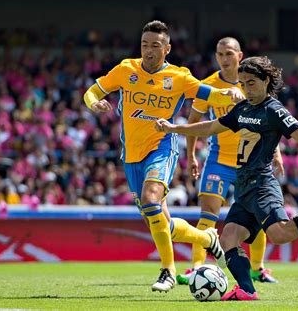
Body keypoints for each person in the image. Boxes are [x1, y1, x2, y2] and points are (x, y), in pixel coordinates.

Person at [155, 56, 298, 300]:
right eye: (242, 83)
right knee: (229, 237)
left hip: (262, 185)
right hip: (243, 188)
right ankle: (246, 290)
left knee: (280, 234)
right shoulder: (241, 108)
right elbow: (210, 127)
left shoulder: (274, 110)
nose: (246, 89)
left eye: (251, 83)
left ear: (266, 80)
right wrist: (174, 128)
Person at [83, 20, 245, 293]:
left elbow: (210, 95)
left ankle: (167, 271)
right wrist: (93, 104)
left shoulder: (179, 77)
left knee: (150, 199)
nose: (148, 50)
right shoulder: (126, 69)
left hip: (163, 146)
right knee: (159, 220)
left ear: (166, 48)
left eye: (155, 45)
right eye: (145, 44)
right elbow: (92, 91)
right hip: (131, 154)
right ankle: (207, 238)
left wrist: (229, 93)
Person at [177, 37, 281, 285]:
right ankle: (196, 267)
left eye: (229, 54)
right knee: (208, 212)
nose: (224, 59)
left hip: (251, 162)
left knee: (257, 216)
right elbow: (193, 122)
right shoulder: (208, 86)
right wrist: (191, 155)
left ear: (240, 56)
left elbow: (271, 120)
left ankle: (258, 269)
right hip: (218, 161)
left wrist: (276, 152)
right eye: (220, 54)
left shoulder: (252, 85)